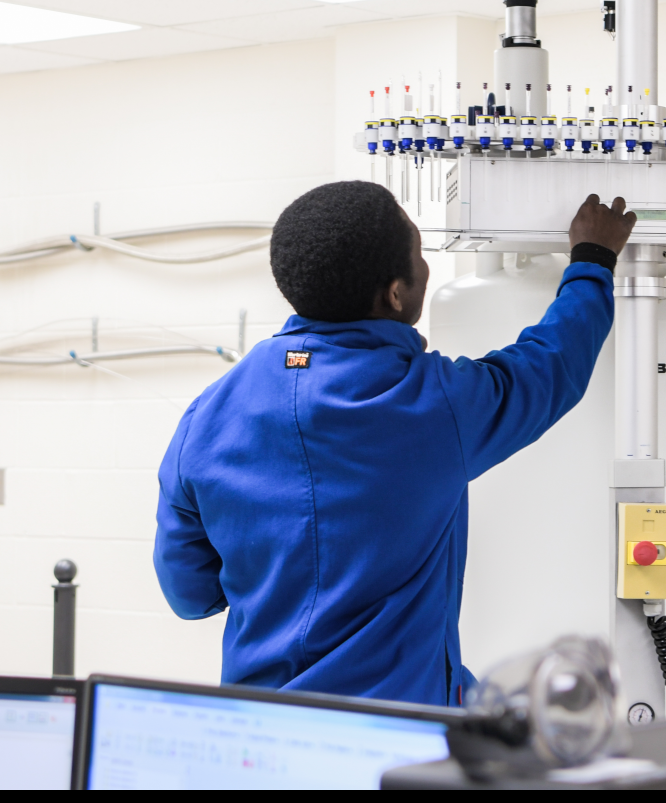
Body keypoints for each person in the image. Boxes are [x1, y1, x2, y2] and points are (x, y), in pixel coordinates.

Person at [154, 181, 635, 706]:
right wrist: (592, 261)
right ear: (396, 293)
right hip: (396, 734)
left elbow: (189, 594)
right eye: (420, 255)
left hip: (259, 733)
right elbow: (549, 368)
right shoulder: (431, 404)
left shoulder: (206, 415)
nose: (425, 266)